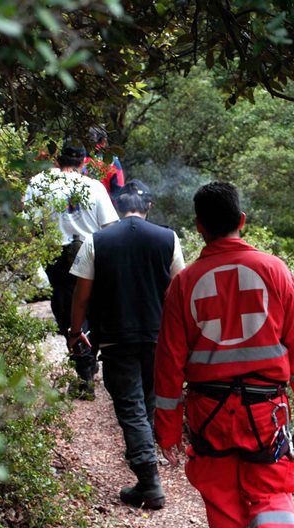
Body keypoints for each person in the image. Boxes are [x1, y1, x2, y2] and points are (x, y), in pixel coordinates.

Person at [154, 182, 294, 528]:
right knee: (272, 493)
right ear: (242, 220)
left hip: (208, 415)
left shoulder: (183, 284)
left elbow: (168, 364)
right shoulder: (275, 270)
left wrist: (167, 429)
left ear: (199, 226)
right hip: (265, 413)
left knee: (223, 502)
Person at [68, 179, 185, 510]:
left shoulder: (98, 240)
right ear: (148, 207)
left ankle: (148, 481)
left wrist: (76, 331)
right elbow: (180, 288)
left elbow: (82, 294)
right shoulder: (168, 238)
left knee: (131, 407)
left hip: (116, 336)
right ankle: (145, 462)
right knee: (146, 401)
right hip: (158, 337)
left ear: (118, 209)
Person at [24, 144, 119, 399]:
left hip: (56, 254)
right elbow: (110, 227)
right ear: (82, 163)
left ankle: (84, 370)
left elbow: (30, 226)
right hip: (90, 251)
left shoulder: (38, 182)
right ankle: (87, 364)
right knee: (91, 307)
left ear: (58, 160)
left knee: (67, 310)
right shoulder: (95, 186)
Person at [82, 126, 126, 212]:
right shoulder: (112, 162)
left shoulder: (78, 160)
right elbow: (119, 190)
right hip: (104, 211)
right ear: (104, 141)